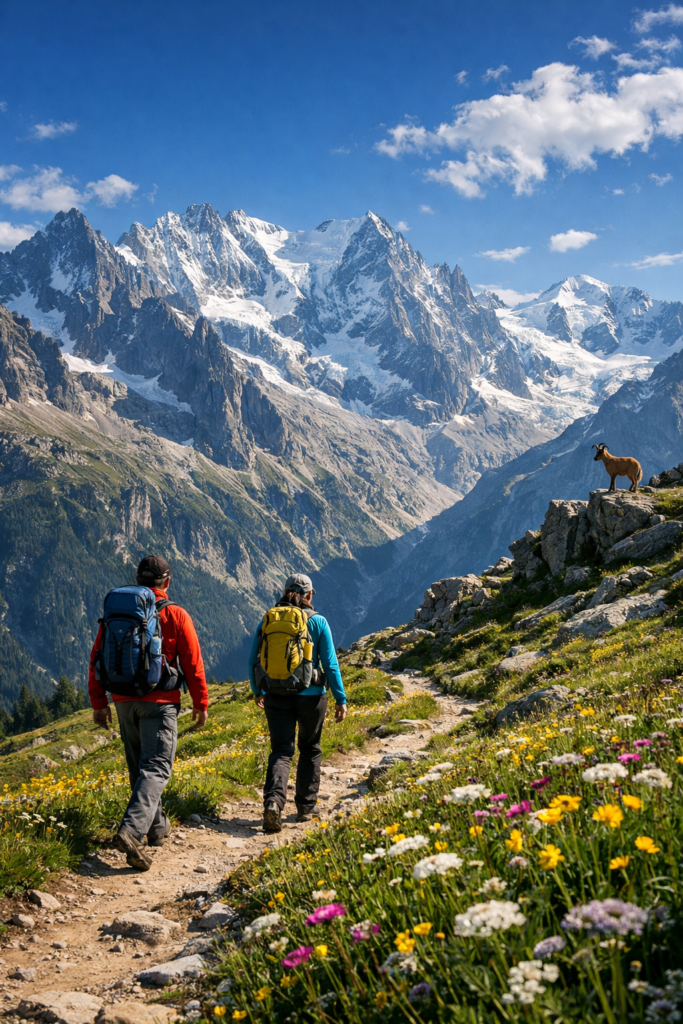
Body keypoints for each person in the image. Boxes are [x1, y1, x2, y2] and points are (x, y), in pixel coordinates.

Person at [88, 555, 209, 870]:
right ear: (167, 582)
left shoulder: (119, 613)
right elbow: (192, 664)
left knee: (140, 770)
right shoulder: (176, 615)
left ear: (138, 580)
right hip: (160, 703)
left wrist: (99, 702)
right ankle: (131, 831)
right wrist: (201, 703)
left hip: (123, 700)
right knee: (156, 770)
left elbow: (97, 657)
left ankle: (156, 829)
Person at [248, 573, 347, 833]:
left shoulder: (269, 618)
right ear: (310, 595)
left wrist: (257, 689)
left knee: (281, 750)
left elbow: (252, 659)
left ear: (285, 592)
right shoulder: (319, 622)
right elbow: (330, 664)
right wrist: (340, 698)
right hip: (312, 697)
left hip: (275, 695)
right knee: (310, 748)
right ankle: (305, 807)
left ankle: (273, 803)